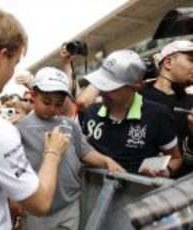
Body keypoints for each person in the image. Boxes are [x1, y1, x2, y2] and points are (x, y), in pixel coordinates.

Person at [0, 7, 70, 229]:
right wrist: (53, 153)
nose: (13, 70)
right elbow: (40, 202)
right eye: (15, 62)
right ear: (2, 56)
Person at [15, 66, 125, 230]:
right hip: (37, 209)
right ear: (33, 95)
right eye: (47, 102)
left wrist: (106, 160)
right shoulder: (20, 128)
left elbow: (85, 151)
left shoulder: (69, 124)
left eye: (59, 104)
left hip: (70, 203)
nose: (53, 108)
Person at [79, 49, 182, 177]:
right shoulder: (91, 112)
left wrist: (165, 171)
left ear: (135, 86)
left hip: (137, 195)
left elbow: (175, 158)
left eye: (111, 87)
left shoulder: (157, 115)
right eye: (102, 84)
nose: (103, 92)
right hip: (93, 193)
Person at [141, 40, 193, 175]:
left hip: (185, 184)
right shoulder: (139, 97)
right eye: (191, 60)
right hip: (146, 183)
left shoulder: (190, 101)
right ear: (168, 63)